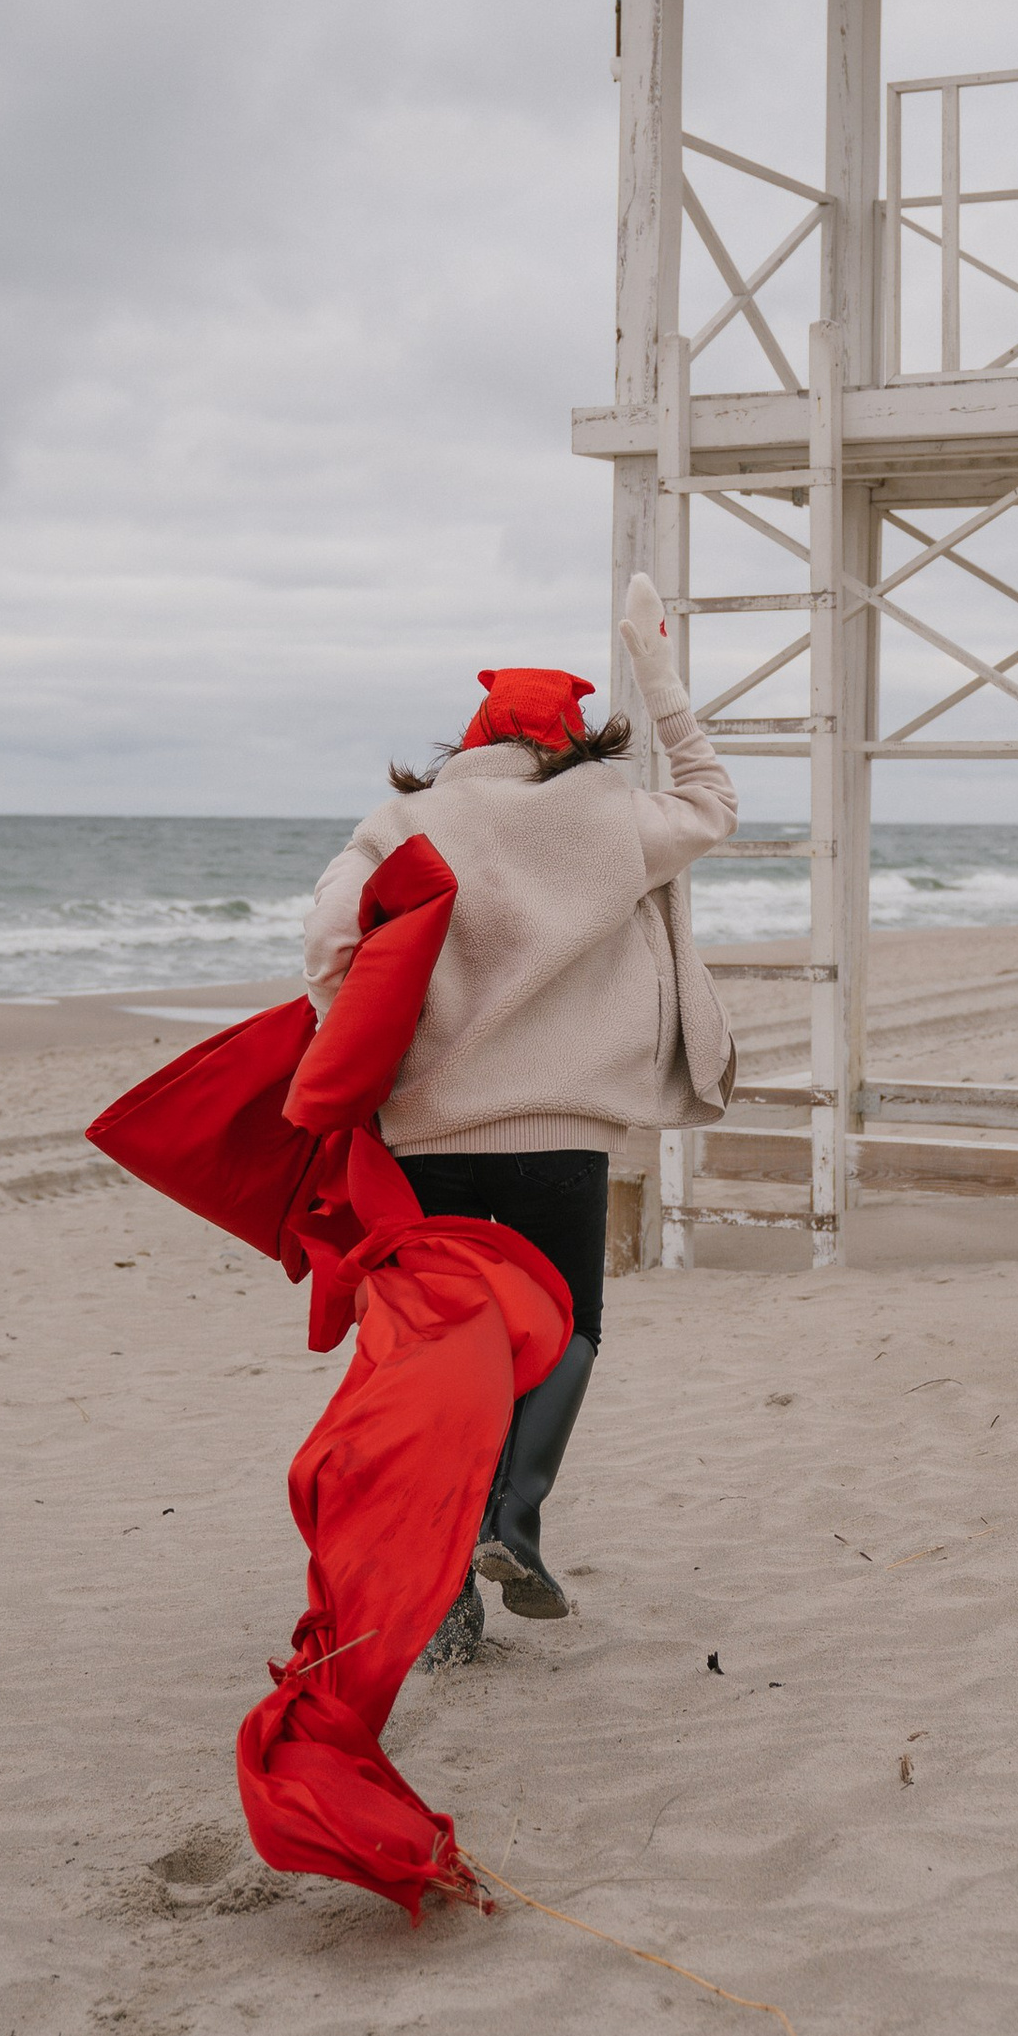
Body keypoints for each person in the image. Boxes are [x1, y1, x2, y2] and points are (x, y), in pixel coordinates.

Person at [301, 570, 736, 1640]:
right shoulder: (615, 821)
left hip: (424, 1136)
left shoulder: (403, 819)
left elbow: (329, 947)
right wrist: (661, 675)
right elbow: (714, 803)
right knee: (566, 1328)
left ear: (472, 739)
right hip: (560, 1136)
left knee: (432, 1361)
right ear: (572, 745)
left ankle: (441, 1593)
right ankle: (514, 1517)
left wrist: (369, 1040)